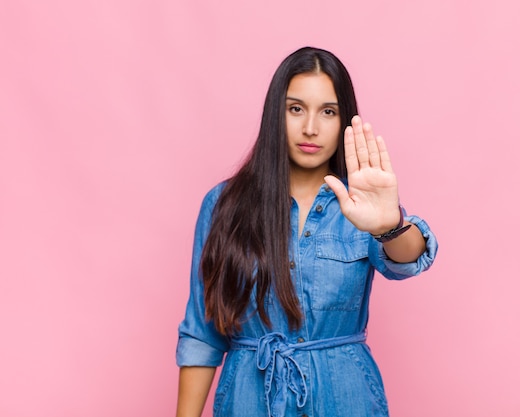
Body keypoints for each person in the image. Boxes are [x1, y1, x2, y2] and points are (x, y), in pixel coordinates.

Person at [176, 46, 438, 417]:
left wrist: (389, 226)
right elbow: (202, 335)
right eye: (296, 108)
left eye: (327, 112)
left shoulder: (361, 204)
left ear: (344, 119)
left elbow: (407, 260)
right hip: (248, 402)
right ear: (275, 114)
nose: (310, 127)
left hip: (346, 399)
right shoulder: (223, 205)